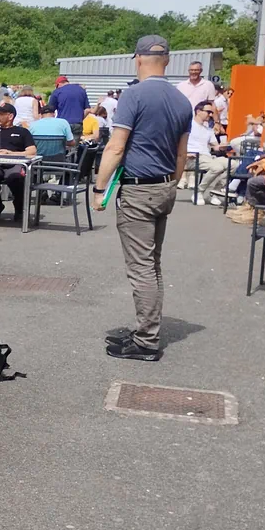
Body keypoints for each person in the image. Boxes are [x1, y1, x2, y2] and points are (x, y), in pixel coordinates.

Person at [95, 35, 192, 362]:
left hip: (139, 190)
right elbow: (183, 154)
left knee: (141, 268)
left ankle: (146, 340)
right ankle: (145, 327)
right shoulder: (182, 101)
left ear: (137, 59)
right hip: (164, 187)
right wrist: (173, 185)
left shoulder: (133, 95)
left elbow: (116, 146)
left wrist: (99, 188)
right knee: (152, 264)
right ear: (167, 60)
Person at [0, 104, 37, 221]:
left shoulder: (22, 132)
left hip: (15, 163)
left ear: (10, 116)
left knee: (16, 177)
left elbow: (32, 151)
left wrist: (11, 153)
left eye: (1, 114)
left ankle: (19, 208)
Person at [180, 101, 222, 190]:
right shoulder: (187, 125)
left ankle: (216, 191)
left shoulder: (209, 130)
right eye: (208, 112)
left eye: (211, 113)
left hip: (205, 157)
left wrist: (228, 145)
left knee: (232, 165)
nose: (210, 115)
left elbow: (216, 146)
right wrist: (185, 154)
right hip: (191, 156)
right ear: (198, 111)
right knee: (218, 167)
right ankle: (198, 188)